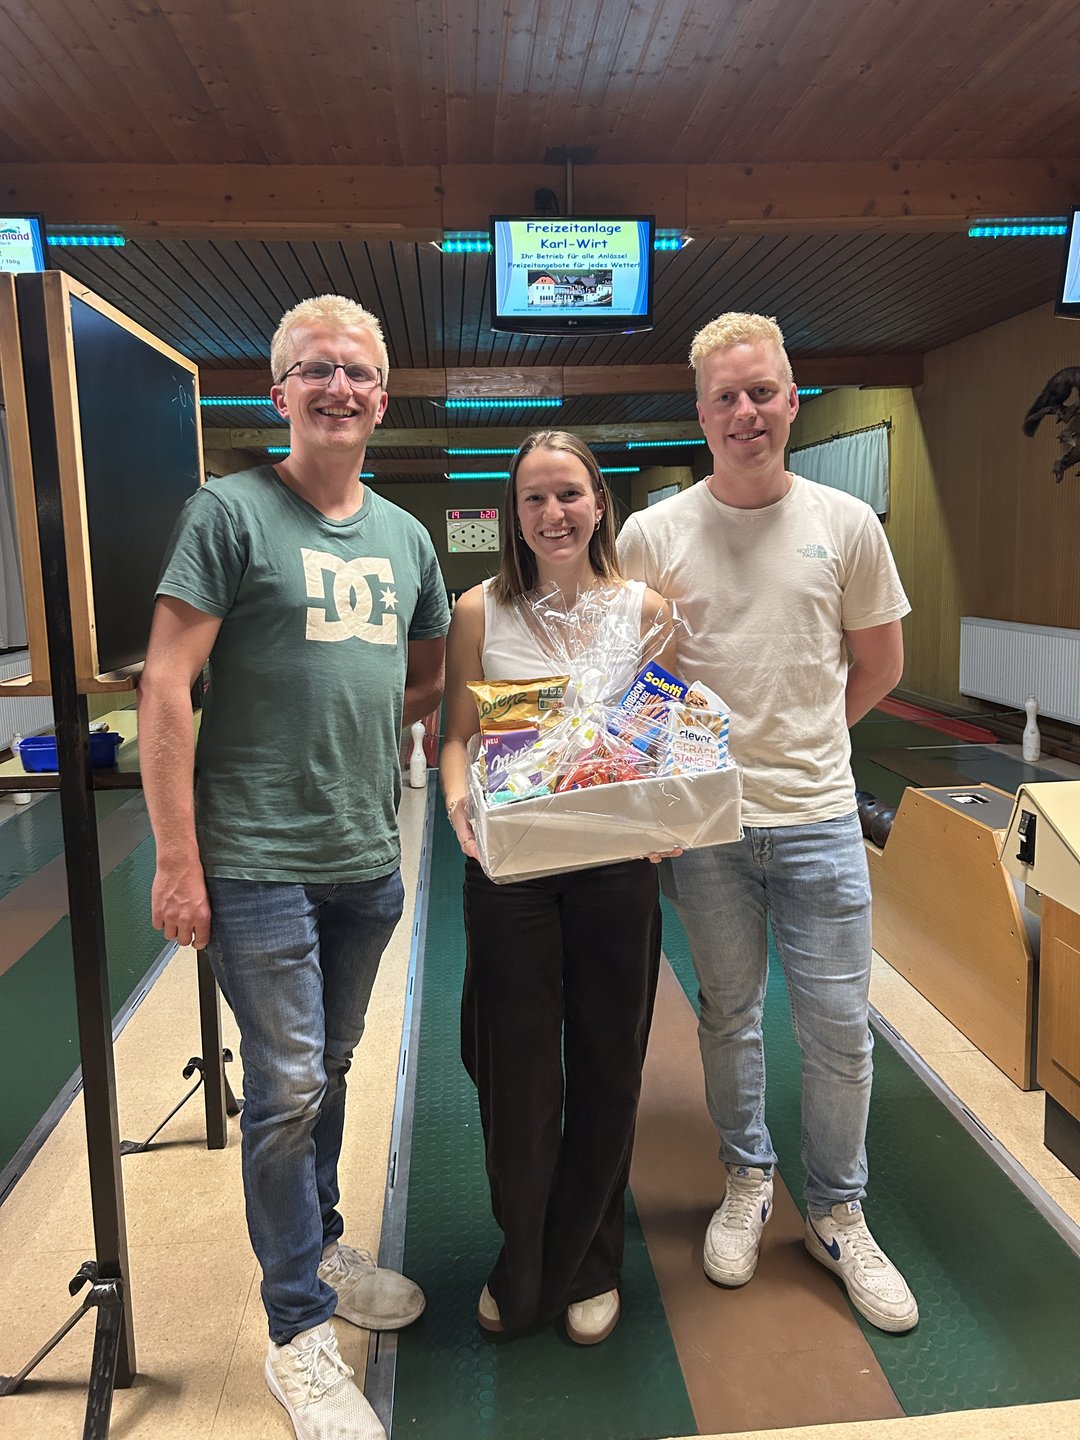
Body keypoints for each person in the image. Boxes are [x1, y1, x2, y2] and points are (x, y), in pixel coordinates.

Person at [139, 294, 450, 1440]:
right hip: (254, 859)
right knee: (285, 1090)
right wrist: (179, 859)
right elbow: (165, 683)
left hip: (365, 855)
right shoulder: (228, 513)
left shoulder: (406, 539)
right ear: (279, 394)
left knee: (333, 1067)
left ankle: (319, 1243)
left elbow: (425, 677)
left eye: (358, 372)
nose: (339, 387)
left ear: (383, 398)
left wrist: (352, 735)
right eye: (315, 369)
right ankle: (298, 1331)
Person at [617, 313, 919, 1334]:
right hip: (709, 832)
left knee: (839, 1027)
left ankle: (838, 1211)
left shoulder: (847, 523)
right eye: (725, 397)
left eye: (762, 393)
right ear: (700, 414)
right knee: (729, 1014)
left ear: (792, 401)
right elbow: (635, 681)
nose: (745, 412)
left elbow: (880, 665)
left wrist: (806, 740)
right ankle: (748, 1179)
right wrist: (671, 788)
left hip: (821, 819)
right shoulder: (653, 534)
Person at [440, 431, 675, 1344]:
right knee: (517, 1072)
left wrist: (671, 813)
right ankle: (525, 1256)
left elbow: (666, 733)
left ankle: (591, 1262)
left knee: (610, 1064)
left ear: (600, 502)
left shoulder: (645, 610)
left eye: (569, 493)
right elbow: (458, 738)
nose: (553, 513)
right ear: (514, 512)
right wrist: (459, 805)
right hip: (514, 871)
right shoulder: (479, 611)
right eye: (533, 498)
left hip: (615, 869)